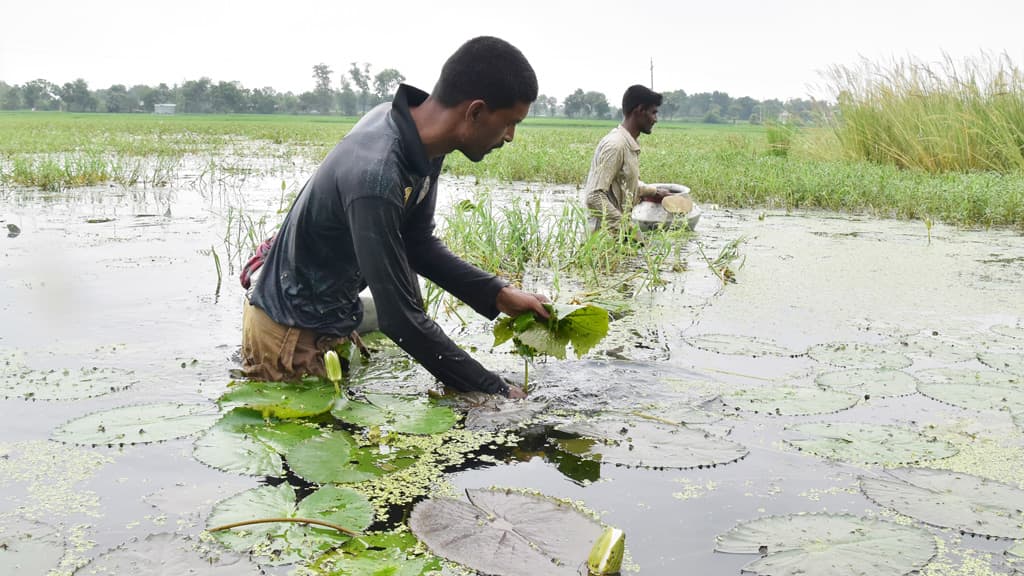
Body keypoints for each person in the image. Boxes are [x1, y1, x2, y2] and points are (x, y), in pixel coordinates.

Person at [241, 36, 548, 399]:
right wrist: (497, 392)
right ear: (476, 112)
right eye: (510, 122)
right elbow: (399, 319)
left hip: (329, 317)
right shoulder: (377, 173)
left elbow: (417, 244)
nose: (510, 137)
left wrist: (499, 294)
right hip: (290, 336)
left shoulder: (423, 142)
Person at [583, 85, 670, 234]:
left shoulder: (628, 144)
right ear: (640, 110)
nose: (656, 119)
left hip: (617, 237)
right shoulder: (616, 145)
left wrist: (654, 192)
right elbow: (594, 196)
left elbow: (623, 185)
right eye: (653, 112)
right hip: (603, 239)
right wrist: (629, 230)